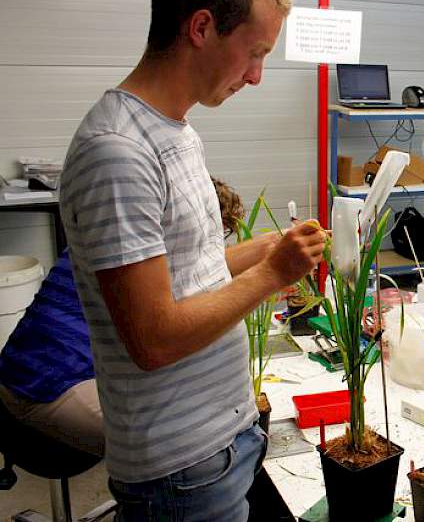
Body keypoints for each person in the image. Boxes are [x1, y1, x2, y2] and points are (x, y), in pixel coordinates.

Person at [57, 0, 326, 520]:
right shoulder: (118, 152)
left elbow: (189, 276)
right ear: (201, 27)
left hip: (222, 440)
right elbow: (152, 337)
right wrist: (274, 272)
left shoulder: (175, 131)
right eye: (254, 53)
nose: (256, 77)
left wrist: (272, 247)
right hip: (181, 467)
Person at [0, 177, 252, 458]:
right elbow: (174, 332)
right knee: (186, 450)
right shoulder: (140, 260)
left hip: (46, 370)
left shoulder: (122, 238)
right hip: (45, 385)